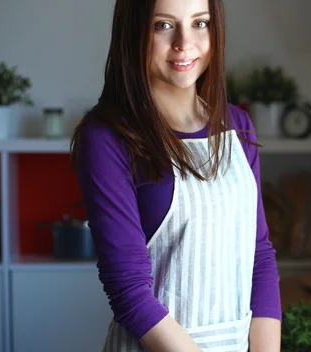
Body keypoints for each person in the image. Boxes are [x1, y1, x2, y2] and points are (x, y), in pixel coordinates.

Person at [69, 0, 282, 351]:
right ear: (133, 32)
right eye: (163, 26)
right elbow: (129, 290)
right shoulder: (108, 138)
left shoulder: (237, 126)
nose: (185, 43)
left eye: (200, 23)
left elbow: (259, 255)